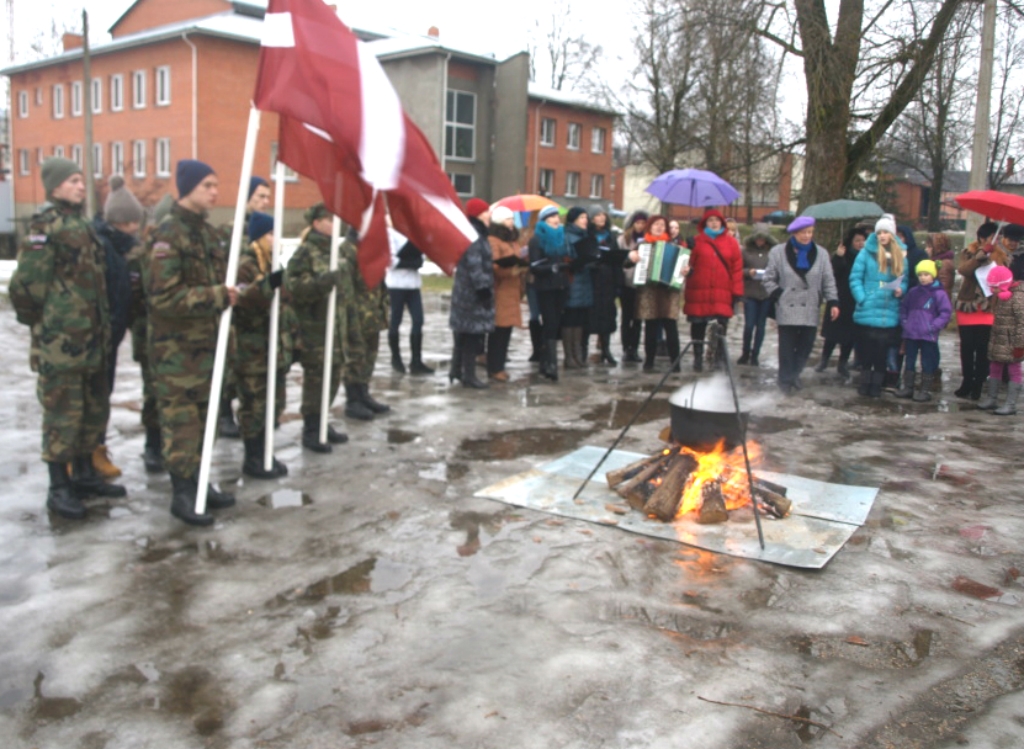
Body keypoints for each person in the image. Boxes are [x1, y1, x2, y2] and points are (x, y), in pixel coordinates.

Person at [9, 157, 126, 519]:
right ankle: (59, 487)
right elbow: (26, 287)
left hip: (92, 340)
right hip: (63, 344)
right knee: (63, 414)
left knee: (92, 409)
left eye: (81, 179)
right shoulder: (46, 226)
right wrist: (47, 325)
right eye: (73, 180)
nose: (80, 186)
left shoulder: (83, 225)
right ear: (55, 186)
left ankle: (85, 474)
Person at [144, 159, 237, 525]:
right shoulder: (169, 235)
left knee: (205, 421)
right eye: (207, 186)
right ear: (188, 189)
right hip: (177, 355)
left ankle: (200, 483)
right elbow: (162, 298)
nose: (215, 192)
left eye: (215, 185)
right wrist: (217, 295)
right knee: (182, 425)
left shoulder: (207, 233)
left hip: (207, 349)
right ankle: (182, 493)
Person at [232, 211, 293, 479]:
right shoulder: (246, 264)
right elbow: (244, 297)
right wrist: (269, 284)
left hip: (272, 347)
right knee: (254, 405)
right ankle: (253, 457)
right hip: (252, 349)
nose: (274, 239)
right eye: (270, 234)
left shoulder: (270, 263)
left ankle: (265, 452)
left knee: (273, 403)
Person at [92, 175, 145, 478]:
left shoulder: (123, 249)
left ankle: (96, 451)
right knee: (93, 396)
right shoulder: (103, 248)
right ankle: (85, 457)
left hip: (113, 332)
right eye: (128, 224)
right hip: (100, 333)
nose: (133, 229)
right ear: (116, 221)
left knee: (103, 392)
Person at [286, 203, 350, 452]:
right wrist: (322, 283)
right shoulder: (306, 252)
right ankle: (311, 429)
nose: (334, 224)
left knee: (333, 378)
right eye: (329, 220)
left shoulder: (334, 252)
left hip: (335, 328)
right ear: (316, 223)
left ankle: (322, 421)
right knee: (316, 381)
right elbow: (294, 286)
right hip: (316, 330)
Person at [762, 216, 839, 394]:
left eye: (810, 232)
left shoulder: (821, 254)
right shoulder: (778, 252)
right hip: (787, 305)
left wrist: (833, 301)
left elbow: (828, 280)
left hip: (810, 304)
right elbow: (768, 279)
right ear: (795, 233)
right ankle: (785, 379)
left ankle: (795, 374)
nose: (807, 236)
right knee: (787, 347)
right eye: (803, 232)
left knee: (806, 345)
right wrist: (779, 294)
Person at [129, 194, 175, 473]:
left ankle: (168, 446)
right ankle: (153, 446)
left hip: (174, 339)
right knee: (154, 395)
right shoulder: (144, 254)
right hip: (149, 335)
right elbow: (134, 298)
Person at [849, 214, 908, 397]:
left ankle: (876, 386)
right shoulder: (865, 253)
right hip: (868, 309)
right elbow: (855, 278)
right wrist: (862, 298)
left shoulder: (900, 255)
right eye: (879, 232)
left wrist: (900, 290)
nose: (882, 236)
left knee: (882, 353)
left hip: (888, 310)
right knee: (866, 352)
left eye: (886, 232)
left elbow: (904, 280)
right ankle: (864, 384)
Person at [683, 209, 744, 371]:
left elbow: (736, 269)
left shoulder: (731, 243)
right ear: (705, 223)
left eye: (717, 220)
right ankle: (697, 357)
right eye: (710, 220)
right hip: (699, 290)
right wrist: (688, 248)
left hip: (722, 291)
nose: (714, 223)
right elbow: (686, 264)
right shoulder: (696, 241)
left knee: (721, 326)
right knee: (698, 325)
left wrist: (737, 291)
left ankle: (718, 357)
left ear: (722, 223)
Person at [340, 230, 391, 418]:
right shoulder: (347, 250)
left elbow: (379, 282)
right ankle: (353, 400)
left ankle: (363, 394)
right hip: (356, 316)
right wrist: (350, 317)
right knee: (355, 357)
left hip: (372, 314)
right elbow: (347, 288)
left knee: (369, 356)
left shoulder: (370, 248)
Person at [954, 222, 1006, 399]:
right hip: (968, 306)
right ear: (982, 238)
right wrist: (981, 256)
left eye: (998, 237)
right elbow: (963, 270)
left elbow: (1004, 277)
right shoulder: (969, 252)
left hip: (987, 308)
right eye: (993, 237)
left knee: (983, 349)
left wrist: (992, 260)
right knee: (966, 347)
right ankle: (967, 380)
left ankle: (978, 383)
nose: (996, 240)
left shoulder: (1002, 256)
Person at [629, 214, 686, 372]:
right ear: (650, 227)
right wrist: (631, 255)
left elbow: (686, 266)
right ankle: (649, 361)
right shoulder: (643, 245)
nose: (659, 227)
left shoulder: (674, 246)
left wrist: (686, 269)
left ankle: (676, 362)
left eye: (662, 225)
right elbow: (627, 262)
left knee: (671, 327)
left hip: (669, 293)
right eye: (656, 224)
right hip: (649, 292)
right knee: (651, 328)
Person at [449, 197, 495, 388]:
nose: (490, 214)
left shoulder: (476, 233)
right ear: (478, 214)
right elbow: (474, 264)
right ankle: (468, 375)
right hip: (471, 292)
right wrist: (483, 289)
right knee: (471, 334)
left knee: (464, 333)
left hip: (466, 290)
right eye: (486, 211)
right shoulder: (474, 235)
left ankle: (456, 370)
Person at [895, 260, 952, 401]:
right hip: (911, 333)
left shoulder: (939, 294)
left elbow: (945, 312)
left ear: (933, 275)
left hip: (928, 335)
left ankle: (925, 390)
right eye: (920, 274)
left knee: (927, 361)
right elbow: (904, 308)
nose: (923, 277)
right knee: (910, 360)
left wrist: (933, 326)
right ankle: (908, 387)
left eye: (926, 274)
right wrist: (905, 322)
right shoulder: (913, 292)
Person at [816, 227, 867, 377]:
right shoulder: (843, 255)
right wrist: (838, 257)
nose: (860, 243)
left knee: (849, 335)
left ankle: (842, 362)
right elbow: (832, 273)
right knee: (832, 332)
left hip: (855, 299)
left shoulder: (865, 257)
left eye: (863, 240)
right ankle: (824, 360)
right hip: (839, 297)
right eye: (857, 240)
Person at [529, 205, 570, 381]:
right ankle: (550, 364)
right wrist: (554, 267)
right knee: (550, 322)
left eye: (557, 216)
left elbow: (568, 257)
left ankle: (546, 362)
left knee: (556, 323)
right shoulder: (537, 239)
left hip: (561, 286)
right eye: (552, 217)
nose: (556, 219)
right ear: (544, 220)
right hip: (545, 286)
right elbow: (535, 266)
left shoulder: (563, 237)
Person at [386, 228, 434, 376]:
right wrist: (411, 262)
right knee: (395, 321)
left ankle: (416, 361)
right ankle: (396, 358)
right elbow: (390, 260)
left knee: (418, 321)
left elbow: (422, 258)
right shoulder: (390, 233)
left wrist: (416, 261)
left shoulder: (414, 233)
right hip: (396, 285)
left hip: (413, 285)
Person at [978, 265, 1024, 414]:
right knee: (995, 368)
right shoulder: (1001, 297)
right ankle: (992, 398)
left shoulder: (1018, 297)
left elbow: (1022, 322)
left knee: (1014, 370)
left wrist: (1020, 345)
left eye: (995, 288)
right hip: (999, 340)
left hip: (1012, 343)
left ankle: (1010, 404)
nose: (993, 291)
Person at [486, 206, 523, 381]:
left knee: (506, 330)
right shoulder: (493, 240)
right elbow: (493, 266)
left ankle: (500, 365)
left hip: (513, 290)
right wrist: (511, 271)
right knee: (498, 331)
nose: (511, 222)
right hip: (500, 290)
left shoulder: (513, 240)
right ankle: (494, 367)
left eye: (512, 219)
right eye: (508, 218)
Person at [588, 205, 623, 365]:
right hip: (592, 280)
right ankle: (584, 348)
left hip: (608, 281)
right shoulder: (588, 235)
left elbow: (616, 260)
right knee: (590, 316)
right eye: (597, 215)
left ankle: (606, 349)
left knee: (607, 316)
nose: (601, 218)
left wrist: (618, 282)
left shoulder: (611, 236)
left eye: (603, 215)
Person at [561, 206, 595, 369]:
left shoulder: (587, 235)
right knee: (570, 318)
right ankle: (569, 356)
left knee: (580, 319)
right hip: (573, 280)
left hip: (585, 281)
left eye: (586, 218)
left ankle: (578, 355)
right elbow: (567, 258)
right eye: (582, 217)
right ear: (573, 219)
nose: (585, 221)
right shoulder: (567, 236)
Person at [739, 226, 773, 366]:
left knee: (761, 326)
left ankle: (755, 354)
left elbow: (777, 270)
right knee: (749, 325)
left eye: (763, 238)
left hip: (765, 294)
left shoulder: (771, 253)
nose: (760, 241)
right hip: (750, 293)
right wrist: (748, 272)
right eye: (758, 238)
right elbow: (739, 269)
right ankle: (745, 352)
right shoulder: (745, 252)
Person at [618, 211, 648, 363]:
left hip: (641, 284)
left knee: (638, 318)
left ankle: (634, 349)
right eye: (638, 223)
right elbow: (619, 257)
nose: (640, 226)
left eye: (643, 223)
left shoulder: (648, 240)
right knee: (626, 317)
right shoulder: (623, 239)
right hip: (627, 282)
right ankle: (625, 348)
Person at [927, 232, 956, 301]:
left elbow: (944, 287)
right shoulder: (936, 261)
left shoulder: (944, 264)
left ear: (937, 248)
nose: (926, 249)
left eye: (929, 247)